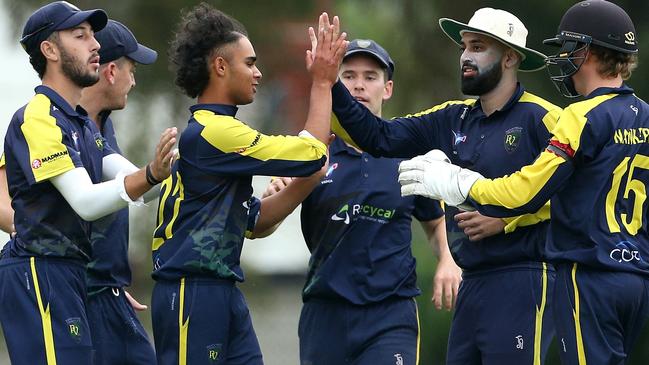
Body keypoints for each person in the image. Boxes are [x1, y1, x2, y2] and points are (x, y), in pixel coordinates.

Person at [398, 1, 649, 364]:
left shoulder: (580, 116)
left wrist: (461, 184)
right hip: (637, 278)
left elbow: (525, 192)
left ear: (591, 52)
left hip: (588, 275)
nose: (564, 58)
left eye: (570, 48)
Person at [327, 8, 562, 365]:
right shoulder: (453, 116)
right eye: (465, 47)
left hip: (525, 277)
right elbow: (379, 136)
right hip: (473, 281)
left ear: (511, 57)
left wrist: (506, 220)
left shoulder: (543, 118)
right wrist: (328, 82)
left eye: (479, 47)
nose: (466, 56)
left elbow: (577, 196)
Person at [149, 4, 347, 364]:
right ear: (220, 66)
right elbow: (312, 152)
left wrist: (306, 181)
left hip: (222, 290)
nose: (258, 73)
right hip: (191, 291)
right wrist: (321, 81)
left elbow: (254, 222)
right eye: (250, 63)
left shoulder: (222, 133)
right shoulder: (215, 131)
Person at [263, 39, 460, 365]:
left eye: (370, 76)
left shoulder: (409, 154)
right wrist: (278, 194)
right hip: (325, 311)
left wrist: (447, 260)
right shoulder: (313, 152)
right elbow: (264, 227)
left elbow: (434, 221)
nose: (358, 85)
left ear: (387, 88)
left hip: (391, 313)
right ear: (336, 85)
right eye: (349, 75)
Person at [0, 2, 176, 364]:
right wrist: (151, 174)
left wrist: (187, 164)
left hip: (70, 275)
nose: (95, 45)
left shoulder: (81, 122)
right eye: (80, 36)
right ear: (49, 50)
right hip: (39, 273)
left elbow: (136, 181)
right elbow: (86, 201)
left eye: (93, 36)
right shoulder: (38, 117)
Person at [79, 19, 158, 364]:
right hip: (77, 296)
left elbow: (135, 184)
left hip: (109, 293)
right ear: (111, 71)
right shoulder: (54, 119)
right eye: (132, 69)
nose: (134, 80)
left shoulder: (103, 124)